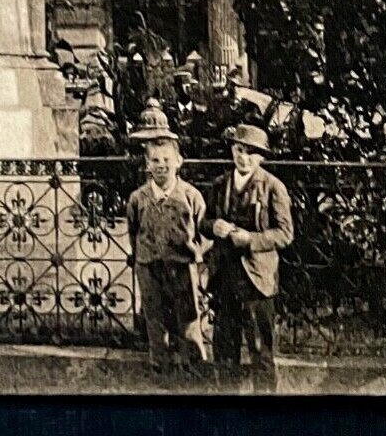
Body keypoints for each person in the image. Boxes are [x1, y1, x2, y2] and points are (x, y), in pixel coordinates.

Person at [201, 123, 294, 392]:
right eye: (239, 150)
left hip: (257, 280)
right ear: (232, 150)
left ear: (261, 157)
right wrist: (213, 225)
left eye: (251, 153)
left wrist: (252, 240)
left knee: (260, 351)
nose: (243, 157)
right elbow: (204, 222)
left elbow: (285, 234)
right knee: (224, 347)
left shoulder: (273, 187)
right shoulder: (220, 184)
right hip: (225, 278)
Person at [124, 101, 208, 378]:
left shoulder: (190, 196)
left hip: (181, 266)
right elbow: (133, 228)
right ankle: (158, 364)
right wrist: (141, 256)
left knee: (187, 316)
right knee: (155, 316)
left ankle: (191, 364)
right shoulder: (138, 198)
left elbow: (202, 229)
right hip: (149, 266)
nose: (161, 166)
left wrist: (196, 252)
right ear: (147, 165)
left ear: (178, 162)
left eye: (167, 161)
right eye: (155, 161)